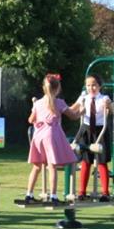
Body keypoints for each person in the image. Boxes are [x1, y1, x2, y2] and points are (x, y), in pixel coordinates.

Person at [24, 73, 81, 205]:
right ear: (58, 88)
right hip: (51, 135)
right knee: (52, 166)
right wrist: (82, 109)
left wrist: (37, 113)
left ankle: (29, 194)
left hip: (38, 136)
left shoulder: (38, 103)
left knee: (36, 166)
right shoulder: (59, 102)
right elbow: (73, 116)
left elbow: (30, 119)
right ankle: (54, 196)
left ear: (44, 88)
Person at [70, 74, 112, 201]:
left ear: (99, 86)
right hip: (86, 130)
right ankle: (82, 192)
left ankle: (105, 192)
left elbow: (113, 110)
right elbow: (71, 110)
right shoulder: (83, 97)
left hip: (100, 131)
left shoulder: (104, 98)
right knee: (86, 162)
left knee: (102, 162)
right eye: (88, 85)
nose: (91, 88)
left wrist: (109, 105)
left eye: (94, 85)